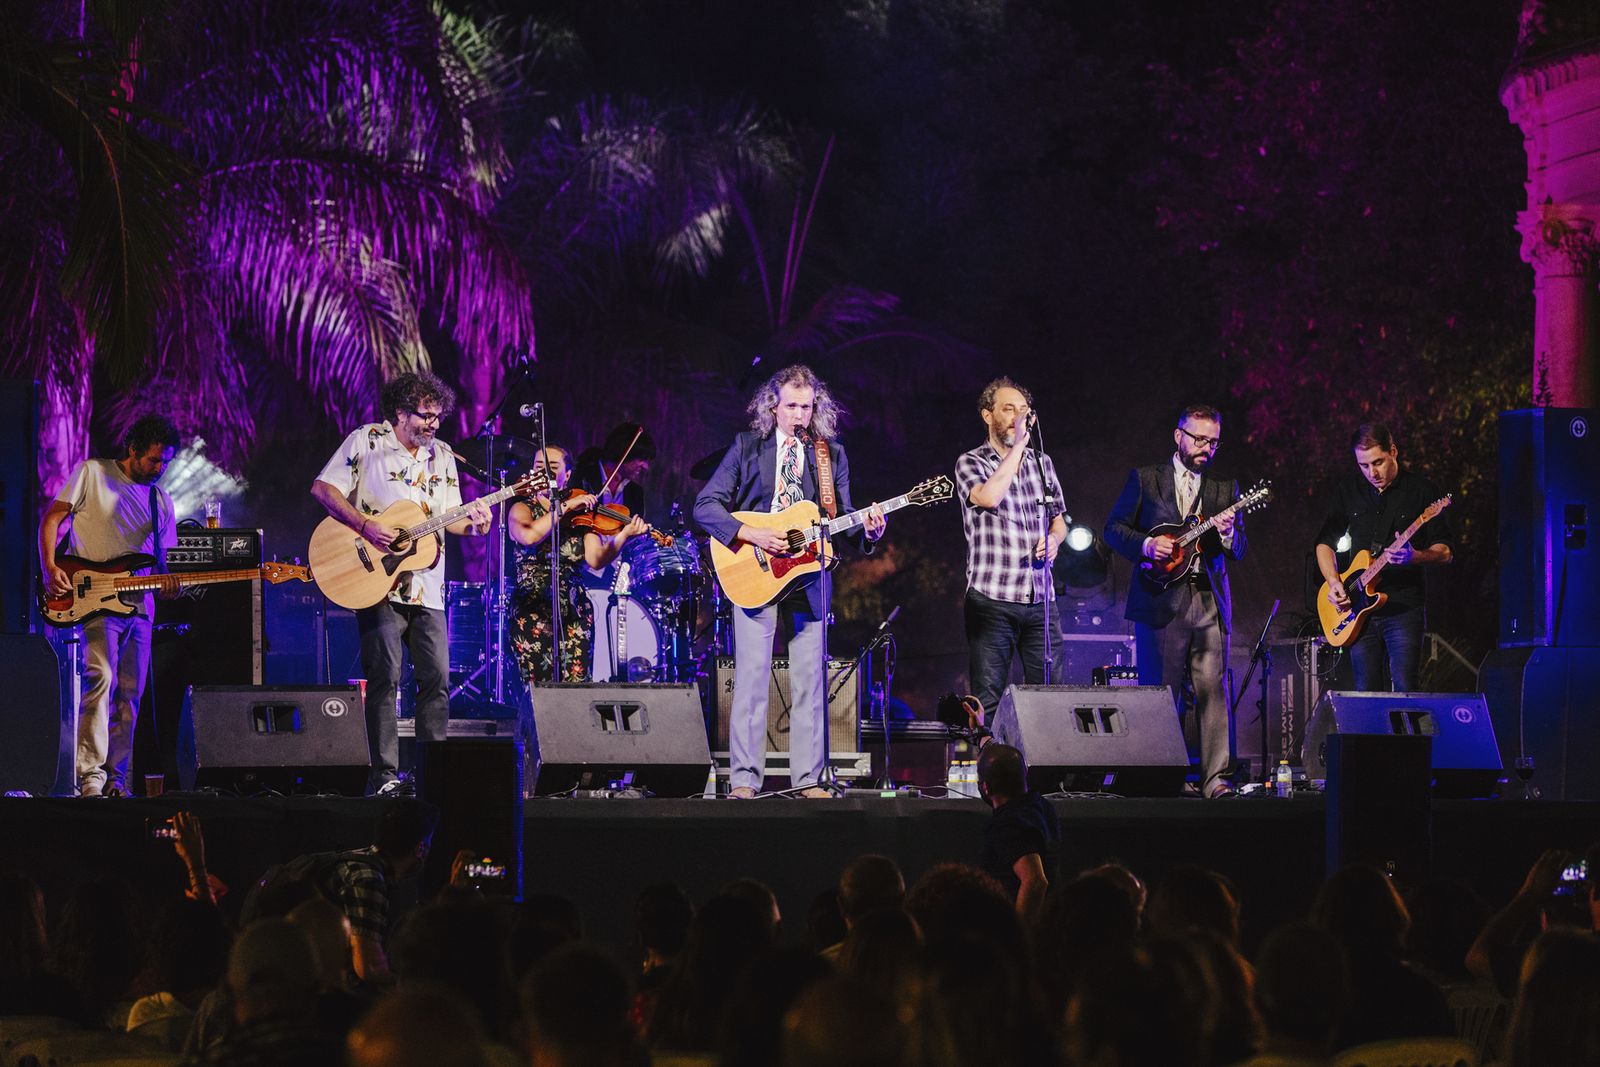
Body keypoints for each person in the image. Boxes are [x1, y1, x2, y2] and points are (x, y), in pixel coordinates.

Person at [693, 365, 885, 799]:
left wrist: (868, 532)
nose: (799, 414)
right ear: (773, 406)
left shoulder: (830, 455)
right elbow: (705, 506)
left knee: (810, 683)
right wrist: (752, 533)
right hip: (754, 573)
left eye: (806, 406)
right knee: (752, 679)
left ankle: (809, 781)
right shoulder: (747, 447)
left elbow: (841, 520)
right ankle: (744, 780)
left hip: (809, 575)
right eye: (791, 405)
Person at [310, 371, 493, 795]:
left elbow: (451, 518)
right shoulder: (367, 441)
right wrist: (365, 525)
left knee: (437, 680)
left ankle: (434, 776)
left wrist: (477, 525)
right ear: (400, 412)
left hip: (428, 586)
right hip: (376, 581)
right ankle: (385, 777)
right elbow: (322, 489)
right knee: (385, 676)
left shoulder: (442, 455)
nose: (432, 424)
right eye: (424, 416)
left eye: (438, 416)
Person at [1104, 403, 1248, 799]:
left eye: (1213, 442)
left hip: (1208, 599)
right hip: (1160, 599)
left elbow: (1239, 549)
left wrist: (1230, 534)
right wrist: (1148, 544)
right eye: (1199, 438)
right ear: (1178, 435)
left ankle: (1215, 779)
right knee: (1161, 694)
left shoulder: (1224, 489)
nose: (1206, 448)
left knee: (1212, 691)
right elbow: (1113, 529)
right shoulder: (1146, 479)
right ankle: (1163, 777)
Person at [39, 414, 181, 798]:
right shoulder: (92, 473)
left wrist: (168, 584)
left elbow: (163, 566)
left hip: (140, 605)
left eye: (166, 462)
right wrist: (50, 565)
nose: (160, 469)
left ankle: (118, 778)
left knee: (130, 693)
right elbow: (52, 519)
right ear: (133, 449)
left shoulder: (160, 501)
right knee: (100, 678)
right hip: (96, 598)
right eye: (154, 460)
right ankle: (91, 778)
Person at [955, 377, 1069, 718]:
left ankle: (1045, 772)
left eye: (1024, 411)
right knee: (987, 701)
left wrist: (1054, 541)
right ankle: (993, 771)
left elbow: (1060, 520)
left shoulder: (1042, 463)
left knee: (1051, 698)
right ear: (987, 416)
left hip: (1040, 599)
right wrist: (1018, 447)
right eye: (1009, 409)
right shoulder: (970, 462)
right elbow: (989, 497)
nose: (1018, 417)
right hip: (991, 600)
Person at [1314, 423, 1453, 692]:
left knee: (1404, 688)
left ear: (1393, 451)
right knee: (1366, 692)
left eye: (1378, 462)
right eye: (1363, 466)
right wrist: (1333, 582)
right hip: (1357, 611)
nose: (1372, 473)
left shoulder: (1422, 491)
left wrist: (1415, 556)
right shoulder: (1349, 490)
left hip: (1402, 609)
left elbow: (1445, 552)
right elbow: (1324, 544)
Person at [506, 445, 647, 684]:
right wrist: (566, 507)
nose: (544, 473)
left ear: (568, 475)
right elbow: (529, 536)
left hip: (574, 611)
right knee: (538, 688)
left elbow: (596, 559)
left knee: (576, 688)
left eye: (552, 468)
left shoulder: (581, 514)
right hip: (532, 609)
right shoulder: (522, 508)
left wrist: (623, 537)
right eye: (539, 467)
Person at [976, 743, 1060, 925]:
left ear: (986, 788)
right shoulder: (1040, 807)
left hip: (1014, 937)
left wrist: (1019, 939)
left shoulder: (1010, 824)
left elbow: (1035, 881)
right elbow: (1004, 761)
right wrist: (981, 734)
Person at [572, 421, 655, 521]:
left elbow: (633, 536)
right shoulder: (582, 477)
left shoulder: (636, 493)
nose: (645, 467)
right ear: (623, 451)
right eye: (642, 459)